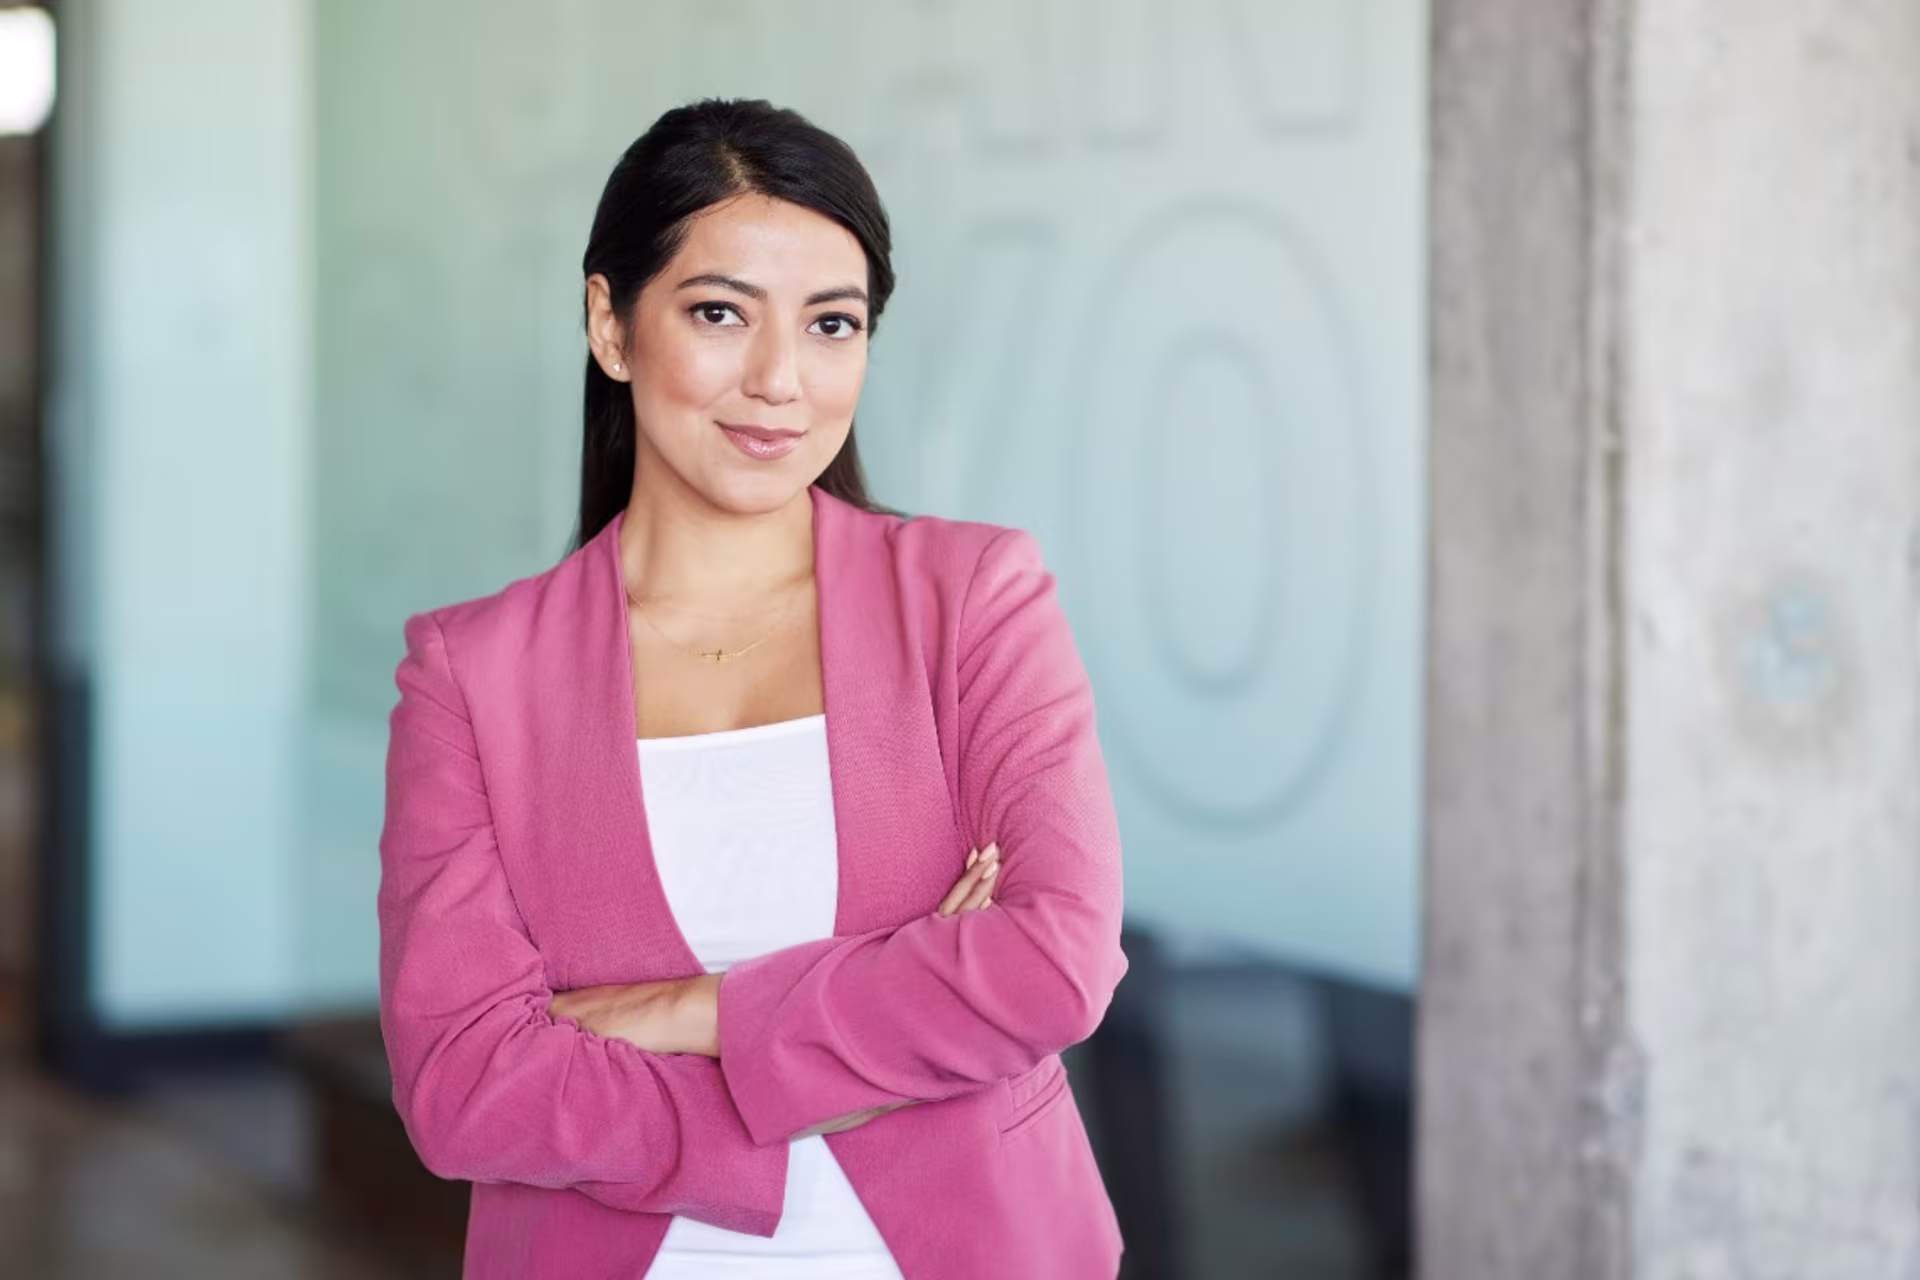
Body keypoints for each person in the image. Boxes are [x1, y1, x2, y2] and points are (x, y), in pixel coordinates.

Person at [376, 98, 1127, 1279]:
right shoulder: (473, 675)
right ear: (610, 325)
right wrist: (899, 1024)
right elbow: (465, 1086)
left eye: (832, 323)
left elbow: (1055, 963)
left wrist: (699, 1011)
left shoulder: (973, 599)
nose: (781, 379)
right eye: (720, 313)